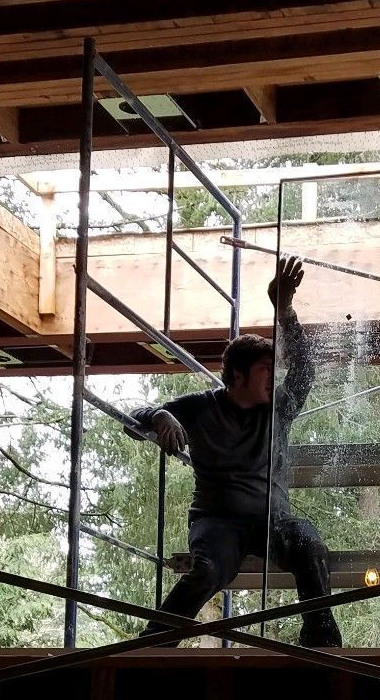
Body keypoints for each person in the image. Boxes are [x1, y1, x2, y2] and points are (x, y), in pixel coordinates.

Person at [129, 256, 342, 648]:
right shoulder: (200, 407)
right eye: (265, 370)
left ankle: (320, 640)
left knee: (308, 544)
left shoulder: (278, 407)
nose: (273, 377)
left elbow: (305, 370)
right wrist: (160, 415)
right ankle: (153, 644)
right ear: (238, 375)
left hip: (271, 519)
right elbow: (133, 418)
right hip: (217, 522)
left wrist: (285, 311)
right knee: (206, 572)